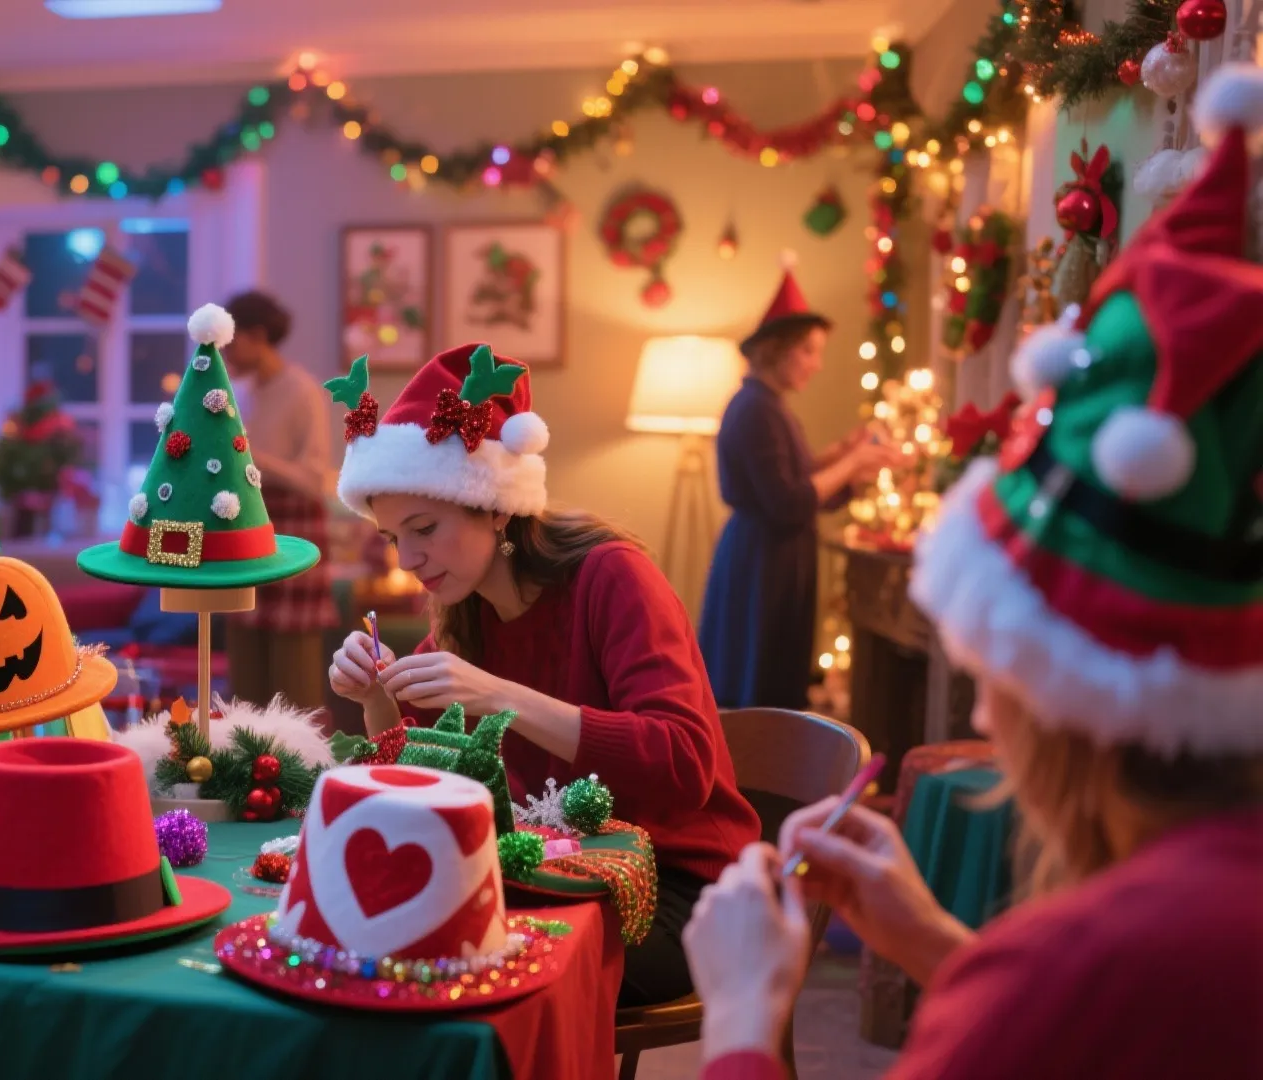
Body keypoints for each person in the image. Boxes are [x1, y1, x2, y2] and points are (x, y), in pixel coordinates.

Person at [682, 74, 1263, 1079]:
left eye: (998, 666)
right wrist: (935, 943)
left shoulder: (1072, 974)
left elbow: (1062, 1013)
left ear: (1076, 693)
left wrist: (737, 1021)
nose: (987, 721)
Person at [322, 343, 762, 1006]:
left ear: (493, 505)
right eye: (392, 537)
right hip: (557, 870)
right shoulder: (462, 603)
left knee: (483, 974)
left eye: (424, 528)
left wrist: (499, 696)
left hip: (679, 887)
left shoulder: (611, 577)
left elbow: (685, 762)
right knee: (389, 936)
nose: (409, 557)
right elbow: (440, 781)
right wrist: (377, 702)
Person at [698, 259, 896, 709]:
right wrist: (851, 464)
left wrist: (845, 457)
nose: (816, 365)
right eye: (808, 351)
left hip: (776, 558)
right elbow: (788, 501)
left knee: (774, 671)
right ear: (778, 348)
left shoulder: (769, 406)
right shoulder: (755, 410)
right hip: (762, 564)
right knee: (759, 680)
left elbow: (796, 478)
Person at [220, 290, 337, 709]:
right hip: (247, 526)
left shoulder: (302, 391)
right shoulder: (240, 392)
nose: (226, 351)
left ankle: (299, 769)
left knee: (294, 672)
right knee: (244, 665)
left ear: (257, 335)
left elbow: (314, 478)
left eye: (232, 341)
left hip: (293, 529)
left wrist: (251, 455)